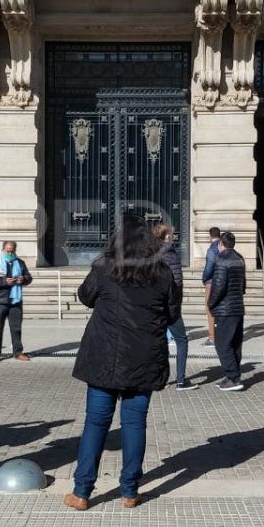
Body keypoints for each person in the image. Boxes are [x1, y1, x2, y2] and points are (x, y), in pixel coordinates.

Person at [65, 215, 181, 511]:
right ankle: (129, 491)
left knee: (96, 422)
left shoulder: (105, 267)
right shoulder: (162, 272)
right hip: (144, 358)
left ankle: (82, 491)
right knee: (134, 423)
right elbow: (172, 313)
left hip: (105, 357)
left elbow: (85, 296)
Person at [153, 224, 194, 391]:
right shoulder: (169, 255)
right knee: (182, 340)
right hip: (171, 307)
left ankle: (158, 380)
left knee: (159, 342)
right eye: (170, 235)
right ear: (163, 237)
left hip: (157, 306)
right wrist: (175, 305)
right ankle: (181, 380)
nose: (172, 237)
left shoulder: (153, 254)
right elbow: (176, 283)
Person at [207, 232, 247, 392]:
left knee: (222, 344)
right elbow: (243, 284)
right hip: (237, 306)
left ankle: (233, 376)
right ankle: (232, 375)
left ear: (221, 244)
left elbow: (218, 286)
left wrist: (211, 303)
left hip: (225, 309)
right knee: (235, 343)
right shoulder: (240, 258)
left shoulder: (222, 259)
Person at [0, 240, 33, 362]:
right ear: (3, 249)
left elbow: (29, 277)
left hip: (15, 301)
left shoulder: (20, 263)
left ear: (15, 250)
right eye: (8, 250)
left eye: (12, 251)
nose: (10, 252)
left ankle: (18, 352)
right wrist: (4, 282)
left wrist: (24, 279)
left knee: (16, 328)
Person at [200, 226, 221, 347]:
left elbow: (209, 267)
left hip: (212, 282)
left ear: (210, 236)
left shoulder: (212, 249)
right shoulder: (224, 246)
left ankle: (212, 337)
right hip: (222, 282)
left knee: (210, 309)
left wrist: (204, 279)